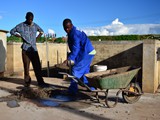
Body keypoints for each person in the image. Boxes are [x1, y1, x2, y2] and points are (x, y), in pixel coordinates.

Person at [10, 12, 49, 88]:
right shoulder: (20, 26)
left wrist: (36, 39)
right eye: (29, 19)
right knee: (26, 67)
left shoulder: (35, 25)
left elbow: (41, 31)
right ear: (26, 18)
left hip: (34, 49)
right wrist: (17, 35)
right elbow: (12, 31)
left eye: (32, 19)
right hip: (25, 49)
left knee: (37, 66)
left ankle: (40, 82)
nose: (30, 21)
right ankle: (27, 83)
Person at [63, 18, 96, 95]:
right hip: (88, 52)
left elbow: (76, 49)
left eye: (68, 27)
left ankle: (72, 90)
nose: (67, 29)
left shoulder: (75, 34)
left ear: (71, 25)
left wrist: (69, 59)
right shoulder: (72, 32)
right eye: (65, 28)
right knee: (85, 72)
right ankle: (90, 87)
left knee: (75, 70)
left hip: (86, 52)